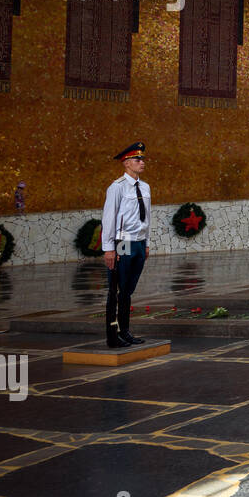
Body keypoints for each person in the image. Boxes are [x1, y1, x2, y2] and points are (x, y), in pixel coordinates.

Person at [102, 141, 151, 349]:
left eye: (142, 159)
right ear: (126, 163)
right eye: (137, 159)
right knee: (117, 288)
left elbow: (148, 217)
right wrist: (109, 248)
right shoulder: (117, 187)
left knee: (128, 290)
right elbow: (109, 218)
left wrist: (147, 243)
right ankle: (114, 334)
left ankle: (125, 330)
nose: (142, 162)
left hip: (139, 243)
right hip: (123, 243)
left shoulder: (146, 187)